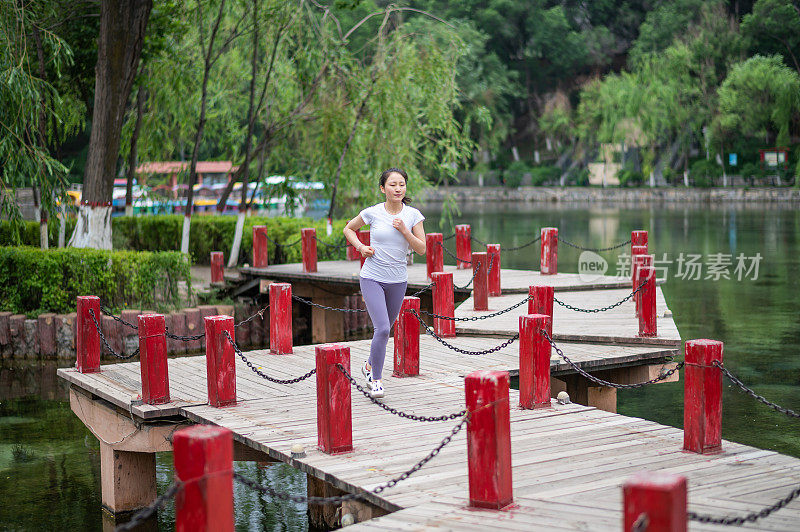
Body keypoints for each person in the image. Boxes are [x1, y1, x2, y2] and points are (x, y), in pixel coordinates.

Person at [343, 168, 426, 398]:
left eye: (402, 184)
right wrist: (361, 247)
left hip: (398, 281)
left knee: (385, 330)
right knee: (382, 328)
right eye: (392, 184)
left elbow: (421, 249)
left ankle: (369, 365)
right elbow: (348, 228)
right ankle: (376, 380)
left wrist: (404, 230)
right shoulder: (373, 212)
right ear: (383, 188)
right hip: (372, 277)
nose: (398, 188)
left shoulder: (413, 215)